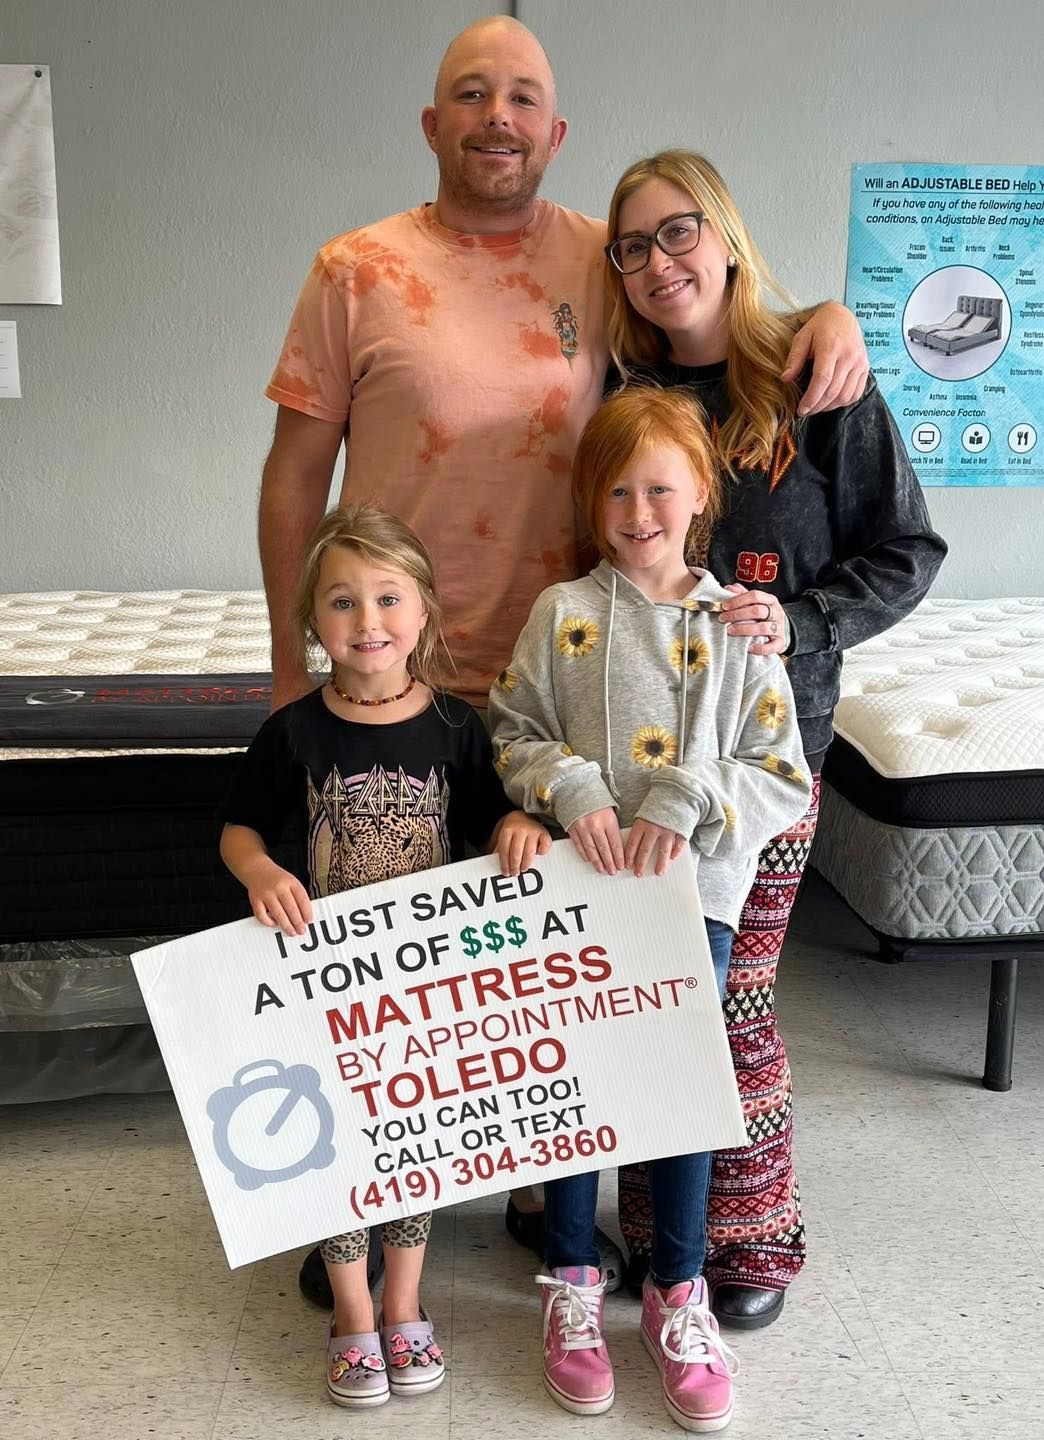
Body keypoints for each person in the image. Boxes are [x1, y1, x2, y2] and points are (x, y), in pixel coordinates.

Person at [260, 15, 870, 1297]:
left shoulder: (603, 258)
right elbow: (292, 477)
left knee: (578, 995)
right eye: (469, 93)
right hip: (398, 681)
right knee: (392, 988)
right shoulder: (356, 268)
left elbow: (715, 298)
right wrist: (285, 672)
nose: (496, 115)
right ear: (433, 124)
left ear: (555, 132)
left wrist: (832, 310)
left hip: (574, 685)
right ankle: (368, 1231)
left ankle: (590, 1226)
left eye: (523, 96)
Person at [603, 149, 948, 1329]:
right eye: (633, 246)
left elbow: (907, 550)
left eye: (678, 231)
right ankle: (655, 1226)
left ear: (729, 234)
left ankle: (749, 1235)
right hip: (631, 768)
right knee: (649, 996)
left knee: (730, 1001)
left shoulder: (818, 380)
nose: (659, 262)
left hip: (765, 759)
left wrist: (802, 623)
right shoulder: (618, 395)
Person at [488, 386, 813, 1431]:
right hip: (580, 896)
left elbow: (782, 774)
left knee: (674, 1088)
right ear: (592, 500)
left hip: (694, 900)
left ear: (700, 496)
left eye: (660, 490)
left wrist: (690, 793)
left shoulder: (739, 628)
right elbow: (513, 729)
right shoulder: (563, 615)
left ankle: (680, 1292)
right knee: (580, 1084)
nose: (639, 511)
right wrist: (572, 788)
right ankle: (573, 1285)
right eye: (618, 491)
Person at [220, 504, 550, 1408]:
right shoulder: (292, 732)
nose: (367, 622)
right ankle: (353, 1313)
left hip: (423, 993)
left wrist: (519, 822)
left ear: (424, 611)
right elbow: (238, 829)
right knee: (339, 1149)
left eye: (387, 598)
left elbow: (492, 820)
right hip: (325, 986)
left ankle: (405, 1300)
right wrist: (257, 871)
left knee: (414, 1145)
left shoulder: (456, 727)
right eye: (341, 602)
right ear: (311, 623)